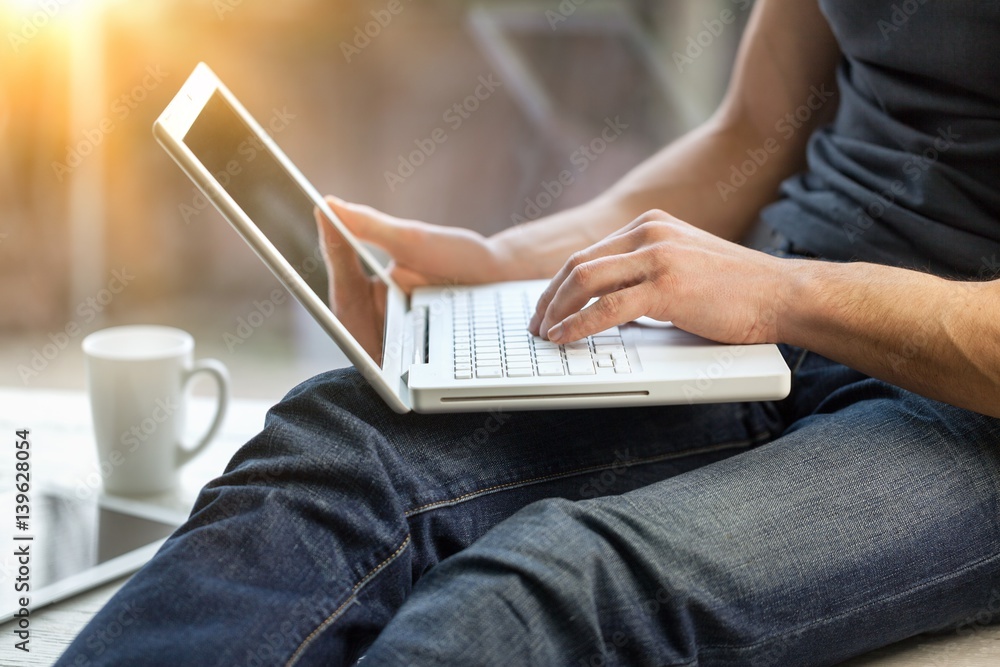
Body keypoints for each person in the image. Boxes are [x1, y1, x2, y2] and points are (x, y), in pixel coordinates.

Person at [57, 0, 1000, 665]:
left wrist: (781, 293)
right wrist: (509, 256)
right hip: (763, 303)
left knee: (537, 593)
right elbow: (750, 127)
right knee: (334, 445)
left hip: (964, 400)